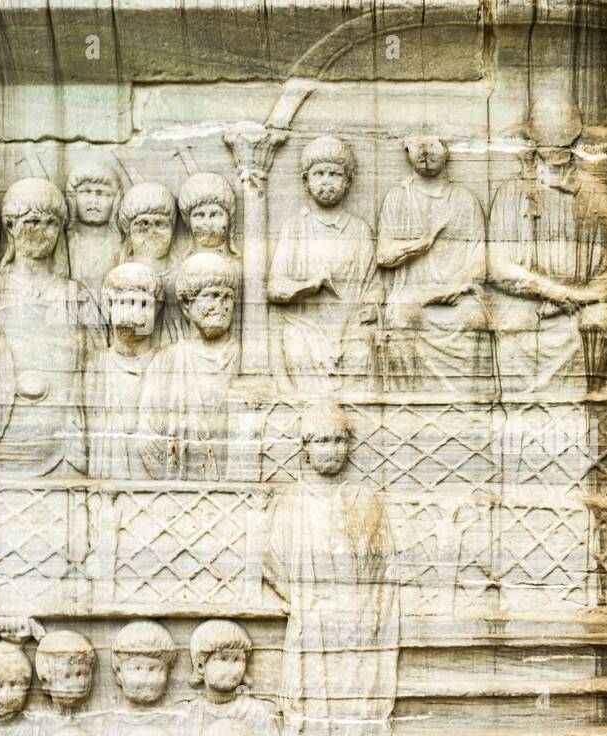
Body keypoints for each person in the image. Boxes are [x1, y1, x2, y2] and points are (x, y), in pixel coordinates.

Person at [264, 403, 401, 736]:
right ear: (305, 448)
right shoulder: (290, 503)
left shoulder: (365, 500)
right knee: (300, 707)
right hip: (312, 620)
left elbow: (384, 563)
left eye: (340, 440)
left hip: (357, 622)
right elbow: (272, 561)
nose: (332, 449)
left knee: (353, 710)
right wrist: (304, 600)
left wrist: (364, 612)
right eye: (322, 440)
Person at [488, 92, 607, 394]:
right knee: (513, 328)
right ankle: (518, 430)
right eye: (550, 137)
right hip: (525, 303)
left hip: (578, 304)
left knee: (591, 326)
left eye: (565, 137)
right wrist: (553, 292)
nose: (559, 145)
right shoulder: (512, 193)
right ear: (534, 140)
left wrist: (576, 298)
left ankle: (586, 415)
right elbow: (497, 266)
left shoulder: (596, 195)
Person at [0, 177, 104, 477]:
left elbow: (97, 368)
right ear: (10, 227)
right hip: (0, 438)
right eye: (30, 221)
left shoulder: (77, 296)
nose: (40, 232)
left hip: (62, 440)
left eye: (50, 223)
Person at [376, 134, 492, 395]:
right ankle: (406, 405)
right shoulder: (397, 197)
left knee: (475, 319)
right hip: (411, 294)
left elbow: (477, 266)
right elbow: (383, 255)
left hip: (457, 295)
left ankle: (475, 406)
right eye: (417, 146)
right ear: (407, 153)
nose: (425, 152)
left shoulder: (465, 200)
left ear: (447, 151)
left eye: (432, 146)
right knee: (403, 318)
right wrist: (420, 244)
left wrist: (451, 290)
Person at [268, 135, 381, 393]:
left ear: (348, 181)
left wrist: (370, 309)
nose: (327, 181)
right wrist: (309, 285)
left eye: (334, 174)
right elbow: (274, 288)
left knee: (361, 352)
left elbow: (374, 286)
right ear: (306, 181)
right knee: (295, 351)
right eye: (319, 174)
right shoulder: (295, 228)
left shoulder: (359, 230)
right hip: (305, 327)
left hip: (348, 326)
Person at [137, 252, 241, 480]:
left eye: (227, 297)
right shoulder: (166, 361)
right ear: (186, 304)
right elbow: (147, 432)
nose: (220, 306)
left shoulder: (242, 357)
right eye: (211, 296)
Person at [87, 262, 162, 479]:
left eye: (143, 304)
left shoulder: (164, 362)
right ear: (108, 305)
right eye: (126, 301)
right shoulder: (96, 364)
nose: (134, 311)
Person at [117, 181, 182, 344]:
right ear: (128, 231)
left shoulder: (180, 279)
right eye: (143, 224)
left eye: (160, 224)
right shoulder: (118, 279)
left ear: (173, 231)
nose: (152, 232)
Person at [65, 160, 122, 304]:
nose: (94, 201)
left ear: (115, 200)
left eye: (102, 194)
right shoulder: (66, 244)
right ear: (72, 197)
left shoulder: (120, 246)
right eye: (85, 192)